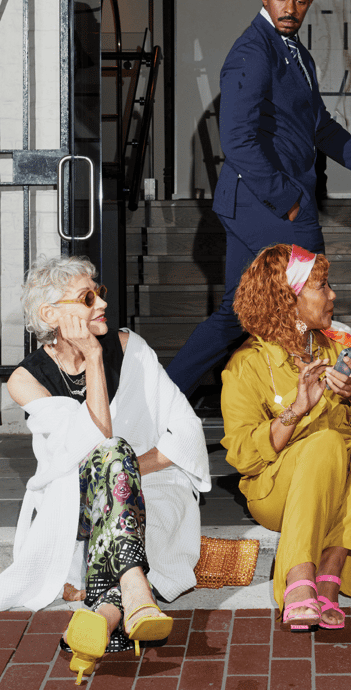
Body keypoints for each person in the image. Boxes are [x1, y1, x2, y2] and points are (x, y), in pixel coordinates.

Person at [166, 0, 351, 395]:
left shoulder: (296, 52)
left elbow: (319, 127)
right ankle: (335, 403)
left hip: (253, 204)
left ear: (310, 2)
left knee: (237, 314)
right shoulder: (252, 52)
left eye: (300, 1)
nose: (289, 8)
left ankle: (161, 401)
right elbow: (238, 140)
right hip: (270, 205)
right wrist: (290, 201)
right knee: (313, 298)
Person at [2, 256, 211, 681]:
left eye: (100, 293)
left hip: (150, 484)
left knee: (127, 496)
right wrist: (94, 359)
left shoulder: (131, 347)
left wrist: (129, 472)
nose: (100, 304)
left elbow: (186, 431)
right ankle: (135, 589)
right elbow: (94, 448)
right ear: (51, 315)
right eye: (87, 297)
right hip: (72, 500)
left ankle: (105, 617)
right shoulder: (26, 380)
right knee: (112, 450)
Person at [220, 244, 351, 630]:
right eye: (322, 286)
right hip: (278, 491)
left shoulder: (342, 345)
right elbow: (245, 456)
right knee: (324, 441)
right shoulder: (246, 365)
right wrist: (295, 411)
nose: (333, 295)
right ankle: (299, 579)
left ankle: (329, 573)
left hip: (346, 482)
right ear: (288, 299)